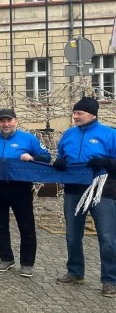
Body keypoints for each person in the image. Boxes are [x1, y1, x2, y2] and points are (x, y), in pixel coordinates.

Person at [52, 97, 116, 298]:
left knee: (107, 237)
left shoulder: (110, 134)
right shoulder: (69, 134)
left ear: (92, 114)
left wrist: (106, 161)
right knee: (72, 235)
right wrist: (59, 161)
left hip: (102, 191)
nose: (75, 116)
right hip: (73, 190)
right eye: (74, 112)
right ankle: (75, 272)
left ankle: (110, 280)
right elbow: (60, 155)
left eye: (79, 113)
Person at [0, 108, 51, 277]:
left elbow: (46, 157)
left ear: (15, 121)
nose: (6, 124)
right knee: (0, 226)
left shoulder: (28, 138)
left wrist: (32, 158)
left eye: (9, 120)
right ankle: (6, 258)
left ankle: (27, 263)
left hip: (21, 187)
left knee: (26, 226)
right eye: (2, 121)